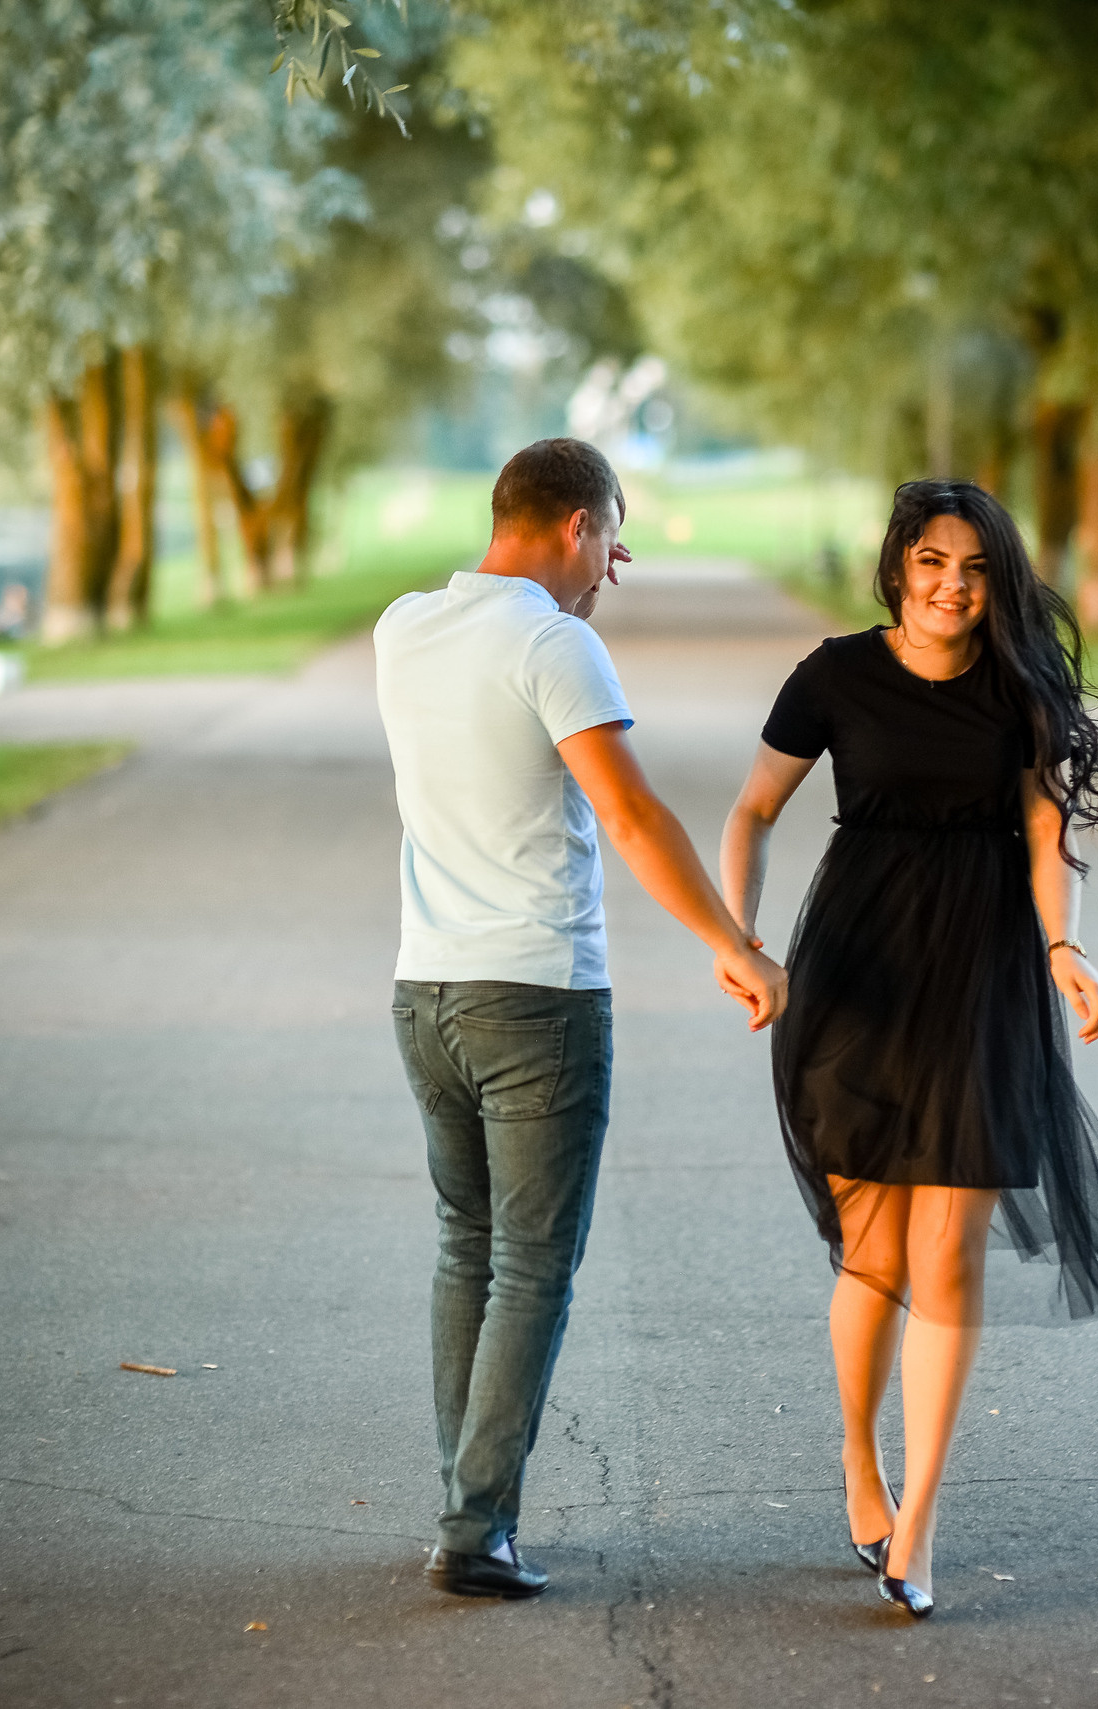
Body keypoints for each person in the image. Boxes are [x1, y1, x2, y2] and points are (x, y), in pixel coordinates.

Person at [719, 479, 1098, 1618]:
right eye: (930, 562)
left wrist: (1067, 945)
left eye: (971, 567)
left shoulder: (1018, 689)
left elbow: (1045, 830)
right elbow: (753, 809)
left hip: (982, 973)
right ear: (897, 566)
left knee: (946, 1250)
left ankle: (918, 1524)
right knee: (873, 1242)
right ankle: (859, 1462)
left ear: (994, 578)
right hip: (856, 970)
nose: (950, 585)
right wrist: (738, 940)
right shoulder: (832, 676)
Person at [376, 437, 789, 1601]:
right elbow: (633, 814)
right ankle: (476, 1528)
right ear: (571, 526)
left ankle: (468, 1505)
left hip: (426, 991)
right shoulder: (556, 642)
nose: (616, 564)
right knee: (532, 1268)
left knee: (470, 1247)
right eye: (611, 537)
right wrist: (737, 946)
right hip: (537, 997)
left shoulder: (402, 628)